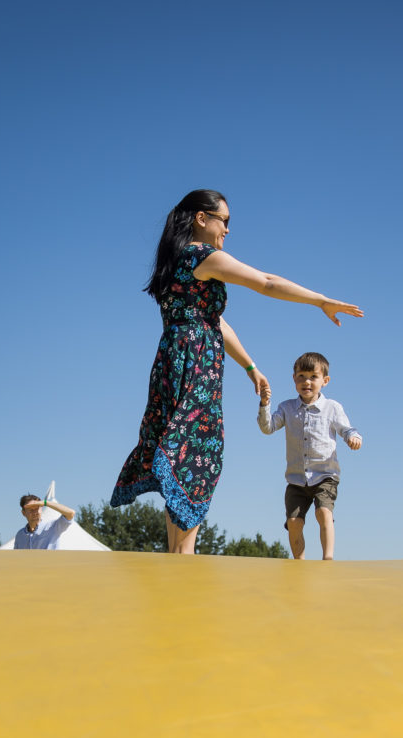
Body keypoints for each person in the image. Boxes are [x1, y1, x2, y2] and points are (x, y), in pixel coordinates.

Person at [111, 190, 363, 554]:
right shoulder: (203, 256)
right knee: (197, 453)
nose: (227, 229)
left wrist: (250, 366)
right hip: (196, 364)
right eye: (223, 220)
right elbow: (266, 281)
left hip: (172, 361)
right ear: (201, 218)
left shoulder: (174, 264)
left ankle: (177, 553)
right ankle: (184, 557)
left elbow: (213, 322)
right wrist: (321, 300)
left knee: (181, 451)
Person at [258, 352, 362, 560]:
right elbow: (268, 428)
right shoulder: (287, 408)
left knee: (323, 512)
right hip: (296, 479)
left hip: (325, 475)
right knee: (294, 522)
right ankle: (300, 563)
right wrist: (264, 404)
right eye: (301, 376)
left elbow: (346, 429)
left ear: (325, 381)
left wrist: (354, 437)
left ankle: (328, 559)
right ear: (294, 379)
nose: (307, 381)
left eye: (313, 377)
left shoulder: (332, 408)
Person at [13, 494, 77, 550]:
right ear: (23, 513)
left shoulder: (53, 527)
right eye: (31, 509)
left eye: (37, 508)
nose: (35, 512)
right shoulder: (20, 535)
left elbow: (71, 513)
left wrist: (46, 503)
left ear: (41, 509)